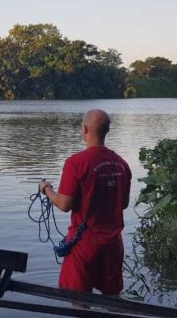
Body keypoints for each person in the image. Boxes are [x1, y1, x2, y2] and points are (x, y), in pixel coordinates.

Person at [38, 109, 131, 296]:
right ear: (107, 131)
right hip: (113, 244)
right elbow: (124, 204)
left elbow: (64, 205)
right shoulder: (122, 164)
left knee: (78, 301)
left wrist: (46, 189)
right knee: (113, 299)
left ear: (85, 129)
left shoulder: (76, 163)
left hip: (84, 245)